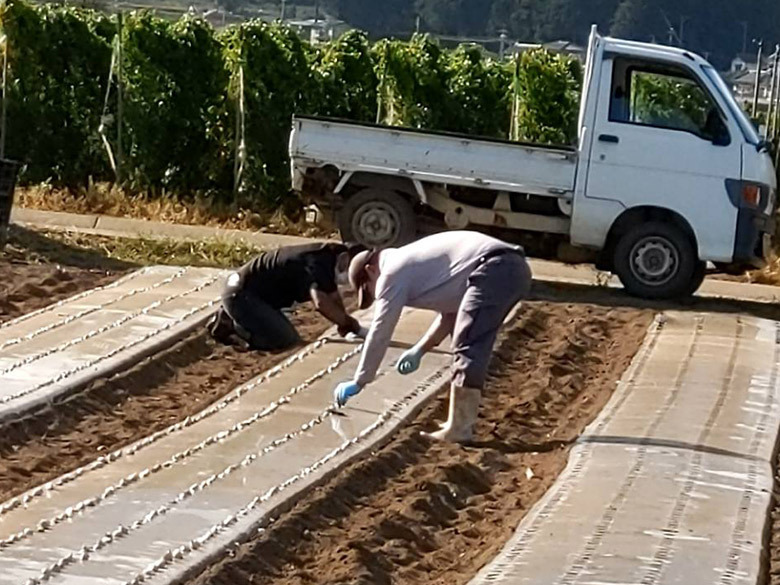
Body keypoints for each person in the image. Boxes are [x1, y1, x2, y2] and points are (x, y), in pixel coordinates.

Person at [332, 231, 532, 443]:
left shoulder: (391, 271)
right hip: (510, 267)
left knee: (468, 343)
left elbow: (380, 331)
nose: (377, 295)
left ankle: (459, 429)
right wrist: (420, 350)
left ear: (371, 270)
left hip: (495, 268)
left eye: (370, 291)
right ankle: (456, 423)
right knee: (465, 335)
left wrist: (360, 380)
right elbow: (451, 313)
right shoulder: (413, 262)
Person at [208, 242, 368, 351]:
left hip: (255, 296)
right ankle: (235, 329)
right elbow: (321, 303)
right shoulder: (318, 263)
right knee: (285, 340)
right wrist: (347, 322)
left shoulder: (330, 256)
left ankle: (238, 318)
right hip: (241, 295)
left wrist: (346, 324)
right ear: (347, 258)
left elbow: (333, 297)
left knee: (286, 335)